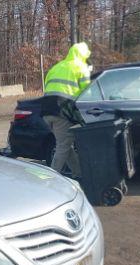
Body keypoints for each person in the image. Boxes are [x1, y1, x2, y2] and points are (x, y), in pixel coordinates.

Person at [42, 42, 92, 178]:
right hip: (62, 112)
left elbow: (47, 88)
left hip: (47, 111)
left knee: (64, 144)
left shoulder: (57, 67)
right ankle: (50, 179)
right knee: (63, 147)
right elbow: (87, 93)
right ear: (83, 55)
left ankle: (79, 173)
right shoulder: (81, 67)